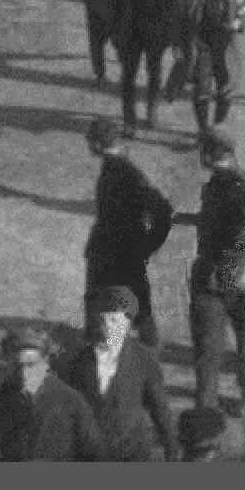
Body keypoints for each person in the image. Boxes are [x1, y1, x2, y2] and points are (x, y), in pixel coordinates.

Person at [188, 129, 245, 412]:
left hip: (219, 277)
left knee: (207, 348)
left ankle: (207, 407)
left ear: (209, 155)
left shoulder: (227, 186)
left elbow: (244, 231)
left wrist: (230, 268)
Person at [56, 286, 180, 461]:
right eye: (102, 320)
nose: (107, 327)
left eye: (114, 320)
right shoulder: (77, 359)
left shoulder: (143, 359)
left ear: (127, 324)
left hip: (131, 454)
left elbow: (159, 409)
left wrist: (172, 450)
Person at [84, 118, 174, 342]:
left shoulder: (124, 173)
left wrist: (148, 243)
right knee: (137, 299)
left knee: (102, 302)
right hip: (124, 250)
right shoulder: (124, 169)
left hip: (112, 251)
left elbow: (161, 210)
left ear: (96, 144)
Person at [0, 326, 106, 461]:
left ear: (46, 363)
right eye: (17, 365)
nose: (24, 374)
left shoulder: (70, 402)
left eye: (31, 365)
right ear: (8, 364)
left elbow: (94, 455)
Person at [180, 0, 245, 134]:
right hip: (202, 44)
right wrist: (180, 43)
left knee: (225, 89)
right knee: (202, 89)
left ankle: (218, 130)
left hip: (227, 47)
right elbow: (184, 16)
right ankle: (203, 130)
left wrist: (238, 23)